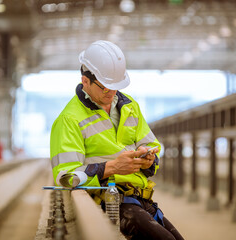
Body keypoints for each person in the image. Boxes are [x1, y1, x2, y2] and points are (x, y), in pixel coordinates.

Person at [50, 40, 184, 240]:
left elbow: (151, 146)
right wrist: (112, 167)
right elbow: (66, 177)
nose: (112, 93)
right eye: (105, 87)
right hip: (107, 202)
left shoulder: (130, 106)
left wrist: (148, 159)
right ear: (85, 81)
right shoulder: (69, 120)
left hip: (137, 198)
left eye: (116, 86)